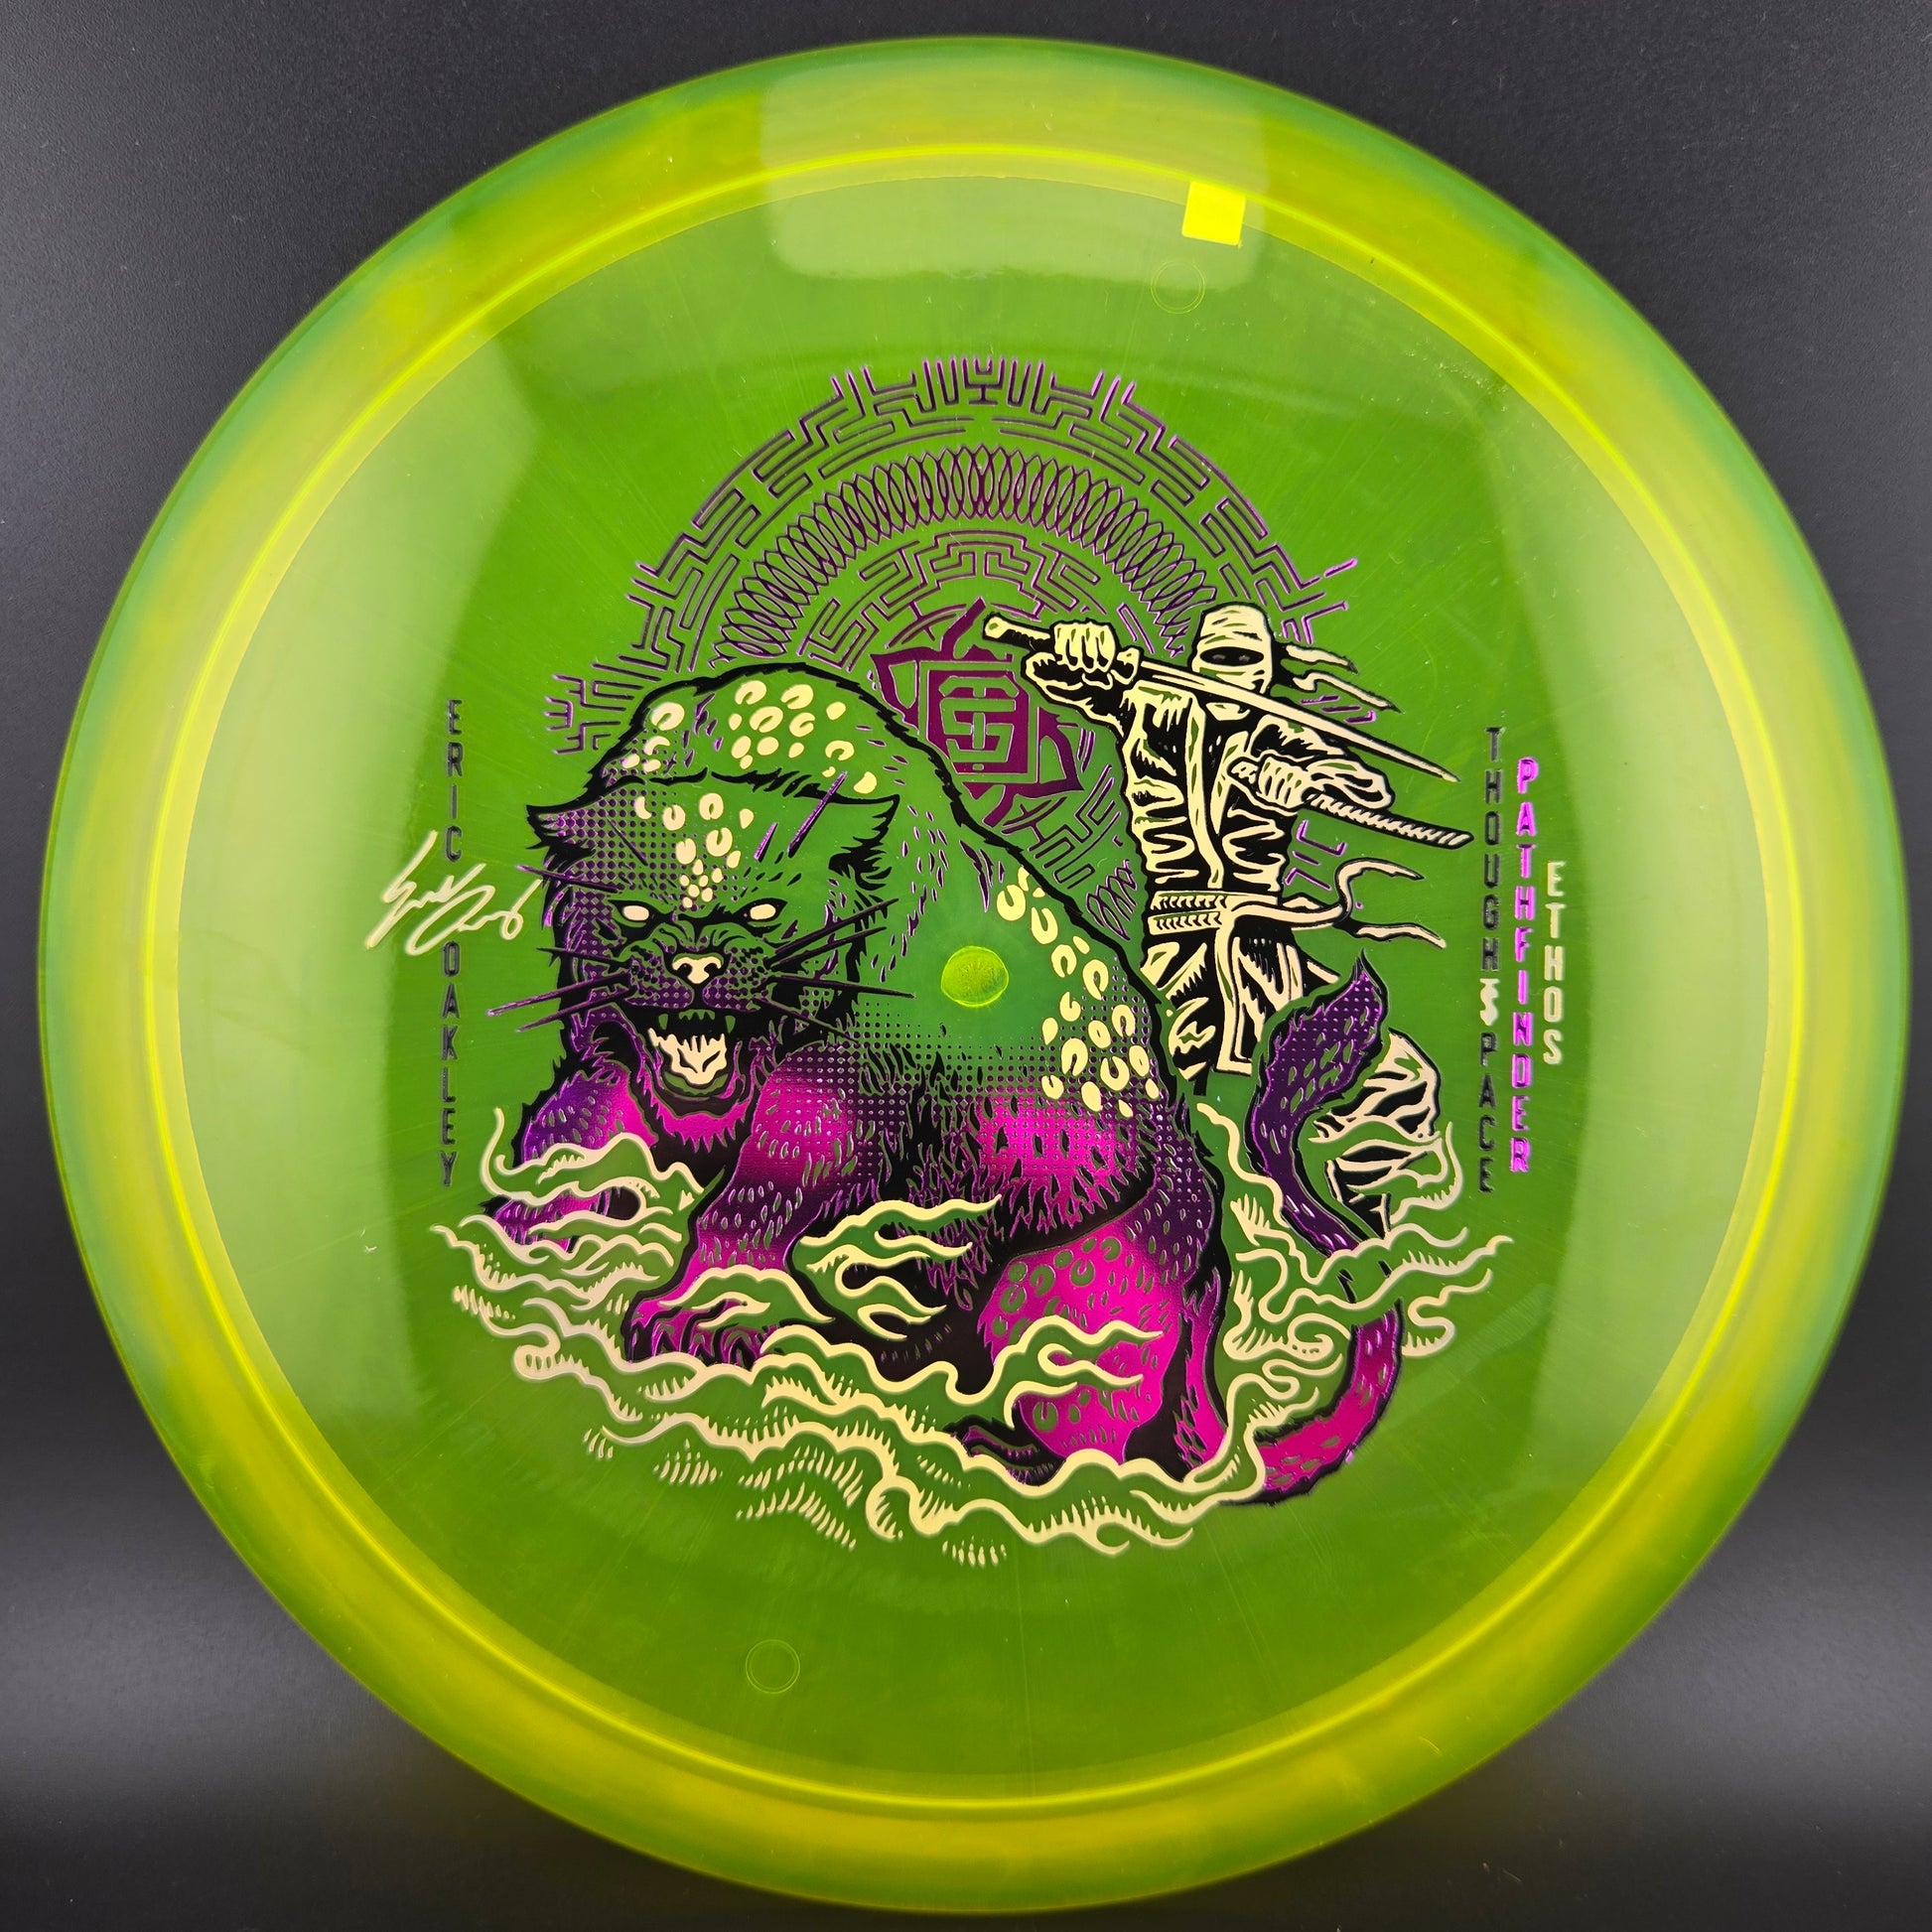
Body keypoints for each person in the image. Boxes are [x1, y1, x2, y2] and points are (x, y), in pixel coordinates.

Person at [1028, 604, 1403, 1082]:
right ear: (1197, 661)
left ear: (1265, 670)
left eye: (1245, 660)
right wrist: (1080, 648)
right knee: (1154, 1066)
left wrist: (1307, 778)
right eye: (1217, 658)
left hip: (1262, 943)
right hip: (1175, 936)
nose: (1230, 673)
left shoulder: (1284, 733)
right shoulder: (1150, 709)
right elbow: (1052, 674)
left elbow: (1370, 790)